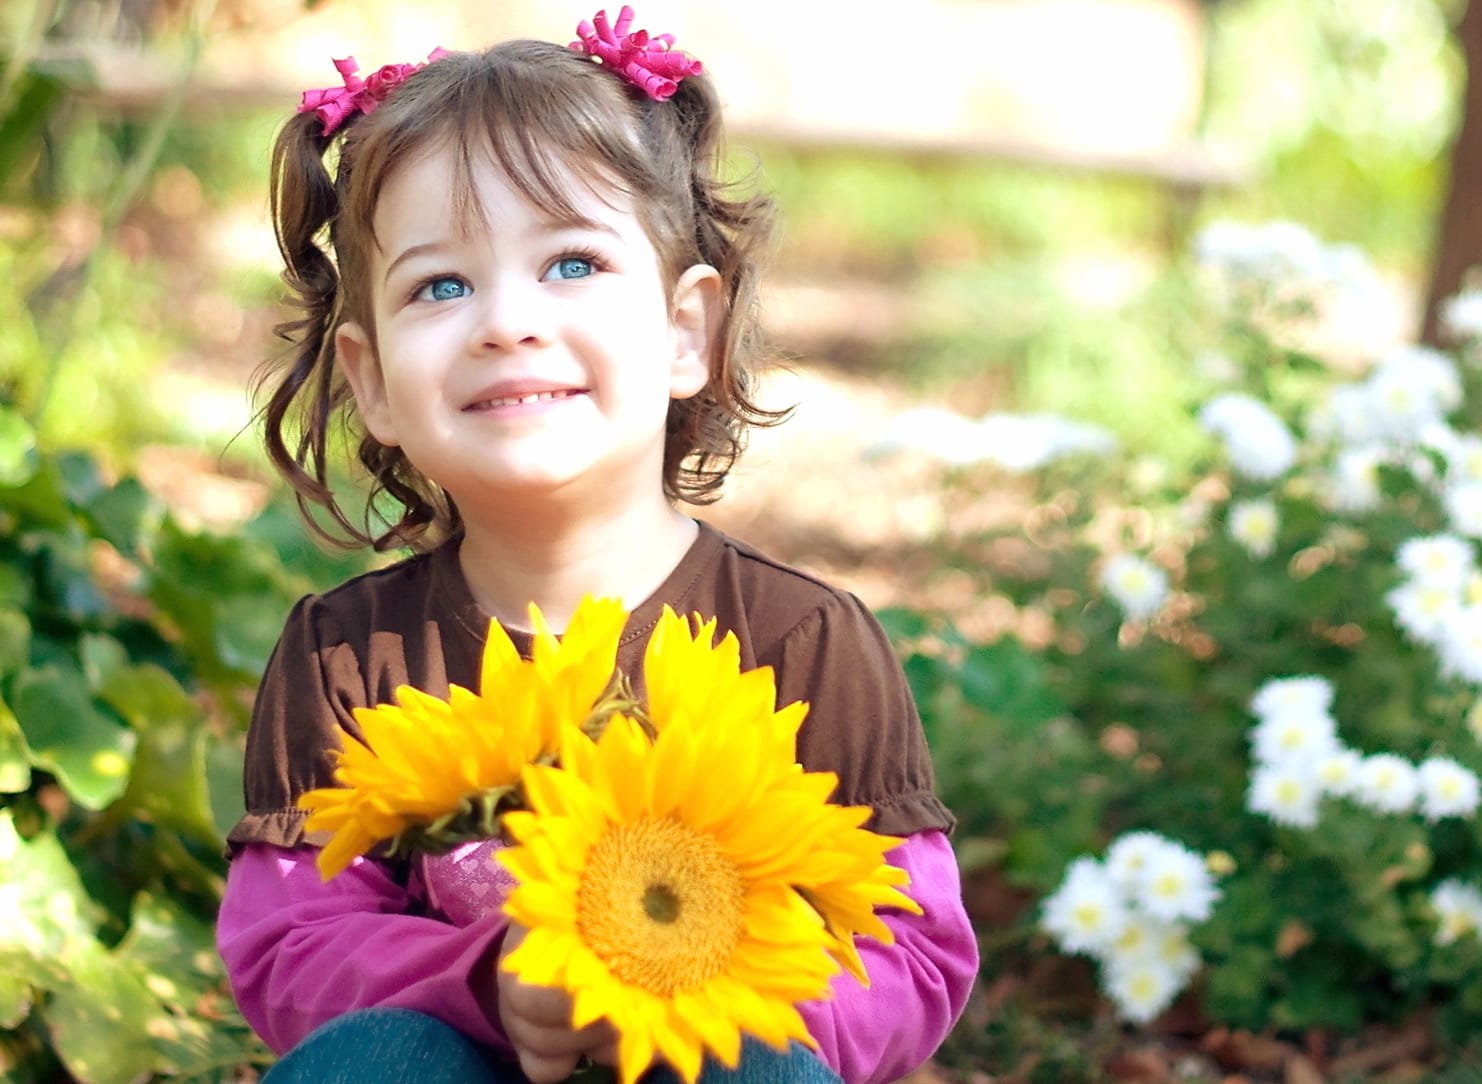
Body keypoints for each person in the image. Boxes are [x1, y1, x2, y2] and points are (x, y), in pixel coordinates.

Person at [214, 9, 978, 1083]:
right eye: (441, 285)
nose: (506, 322)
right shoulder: (349, 656)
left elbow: (915, 949)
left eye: (571, 263)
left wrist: (711, 985)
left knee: (761, 1062)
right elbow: (289, 944)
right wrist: (491, 981)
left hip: (711, 1056)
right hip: (464, 1065)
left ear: (684, 333)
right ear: (372, 378)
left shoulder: (806, 643)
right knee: (376, 1058)